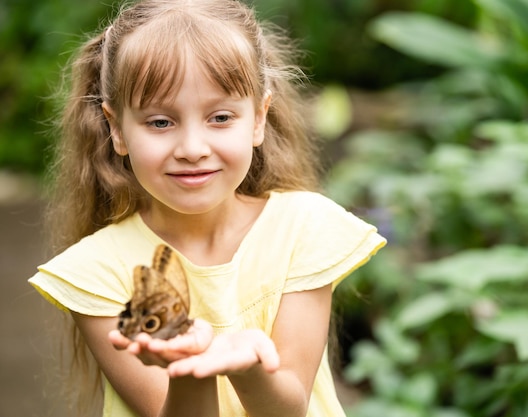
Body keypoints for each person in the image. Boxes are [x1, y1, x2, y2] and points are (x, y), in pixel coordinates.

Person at [28, 0, 386, 416]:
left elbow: (287, 409)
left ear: (258, 118)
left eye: (219, 117)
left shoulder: (301, 229)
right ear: (116, 129)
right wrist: (190, 369)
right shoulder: (98, 271)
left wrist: (247, 367)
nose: (193, 149)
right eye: (160, 122)